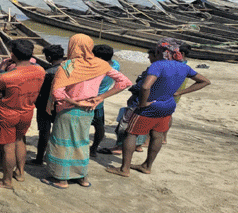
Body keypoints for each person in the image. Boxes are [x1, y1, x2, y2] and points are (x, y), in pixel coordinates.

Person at [106, 39, 210, 178]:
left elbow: (145, 86)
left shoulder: (158, 65)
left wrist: (143, 103)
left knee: (131, 133)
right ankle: (147, 166)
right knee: (157, 135)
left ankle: (124, 169)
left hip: (150, 106)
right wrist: (179, 92)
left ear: (161, 51)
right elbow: (205, 81)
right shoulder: (184, 67)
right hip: (168, 106)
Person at [42, 34, 132, 189]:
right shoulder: (101, 64)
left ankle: (62, 179)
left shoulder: (68, 66)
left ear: (72, 46)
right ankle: (82, 178)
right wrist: (100, 97)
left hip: (68, 111)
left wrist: (74, 101)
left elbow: (58, 93)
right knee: (81, 143)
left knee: (63, 144)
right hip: (88, 110)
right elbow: (125, 82)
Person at [0, 39, 45, 189]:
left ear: (12, 55)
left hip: (7, 113)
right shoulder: (40, 71)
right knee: (20, 140)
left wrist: (3, 69)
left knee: (8, 147)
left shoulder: (6, 76)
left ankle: (6, 181)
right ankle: (20, 172)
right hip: (27, 111)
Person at [99, 48, 157, 155]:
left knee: (125, 126)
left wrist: (134, 89)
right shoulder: (161, 69)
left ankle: (119, 147)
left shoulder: (153, 70)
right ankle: (138, 145)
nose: (148, 57)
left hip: (138, 102)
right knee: (140, 125)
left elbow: (143, 87)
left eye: (151, 55)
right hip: (149, 102)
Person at [28, 44, 65, 166]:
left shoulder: (47, 73)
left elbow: (40, 91)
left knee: (44, 132)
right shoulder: (68, 70)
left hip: (45, 105)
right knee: (60, 131)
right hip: (63, 104)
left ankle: (39, 159)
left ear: (49, 58)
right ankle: (56, 157)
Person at [89, 44, 120, 158]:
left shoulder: (97, 69)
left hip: (90, 99)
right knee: (99, 125)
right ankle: (94, 148)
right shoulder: (116, 65)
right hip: (101, 99)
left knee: (83, 125)